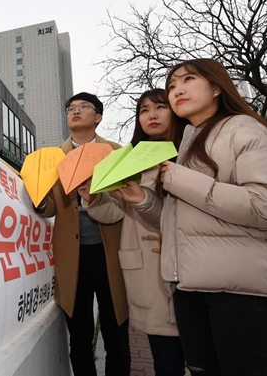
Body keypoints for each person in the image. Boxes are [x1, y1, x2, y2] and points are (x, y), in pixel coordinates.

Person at [117, 59, 267, 376]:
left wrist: (178, 179)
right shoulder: (188, 142)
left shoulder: (244, 129)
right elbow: (180, 221)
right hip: (191, 288)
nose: (177, 90)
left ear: (217, 87)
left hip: (242, 292)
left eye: (188, 79)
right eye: (172, 85)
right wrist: (143, 200)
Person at [78, 88, 185, 376]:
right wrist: (94, 198)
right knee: (165, 360)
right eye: (144, 110)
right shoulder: (130, 158)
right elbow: (116, 213)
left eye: (159, 107)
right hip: (147, 273)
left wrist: (142, 199)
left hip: (190, 268)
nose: (151, 115)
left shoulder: (192, 150)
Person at [35, 92, 131, 376]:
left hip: (111, 253)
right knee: (79, 338)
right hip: (72, 259)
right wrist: (39, 201)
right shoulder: (52, 159)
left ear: (98, 117)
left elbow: (127, 202)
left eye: (83, 107)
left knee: (117, 336)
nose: (75, 111)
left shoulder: (116, 153)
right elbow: (49, 206)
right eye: (70, 108)